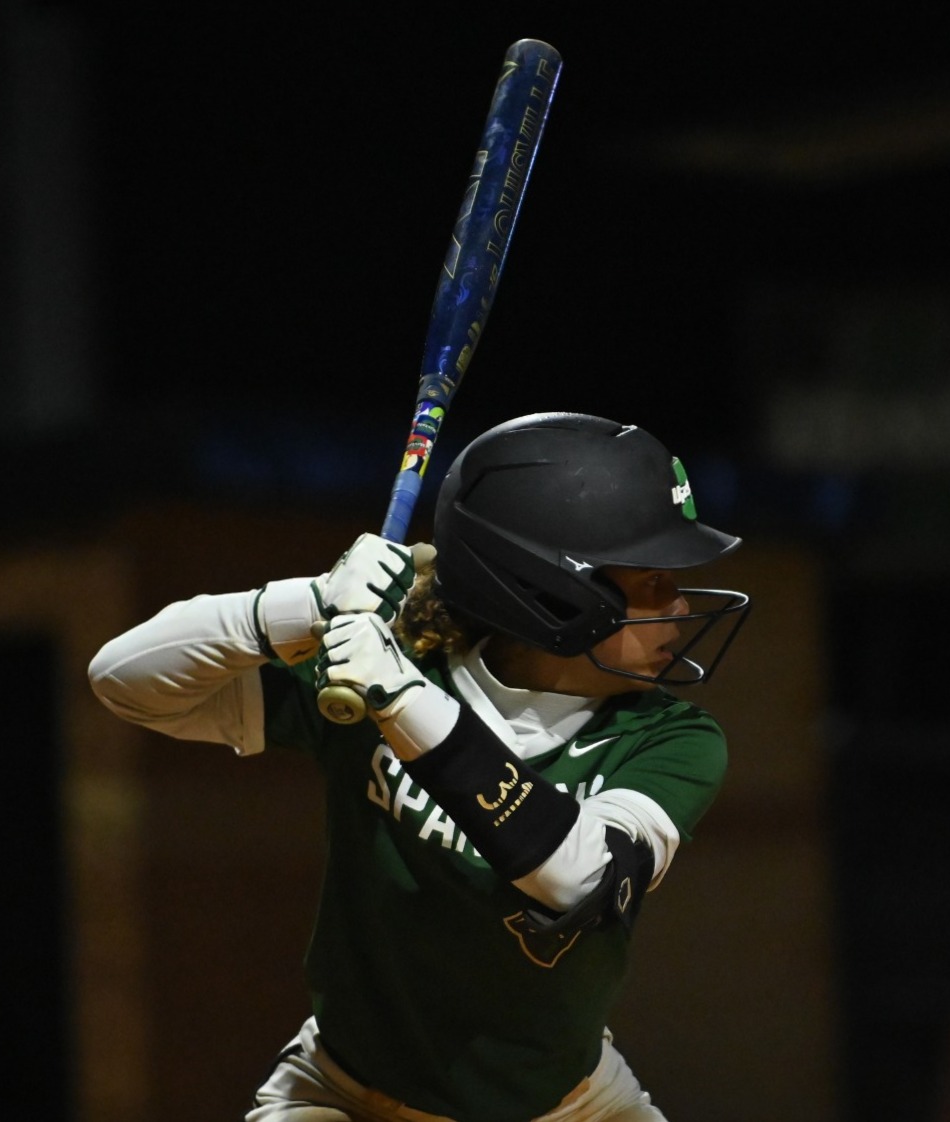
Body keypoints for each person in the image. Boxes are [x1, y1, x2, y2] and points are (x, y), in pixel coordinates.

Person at [88, 411, 752, 1121]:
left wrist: (401, 700)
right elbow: (124, 680)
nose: (679, 606)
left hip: (567, 1105)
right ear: (548, 591)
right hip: (343, 1095)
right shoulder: (392, 664)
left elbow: (576, 877)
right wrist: (305, 604)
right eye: (650, 580)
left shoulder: (671, 738)